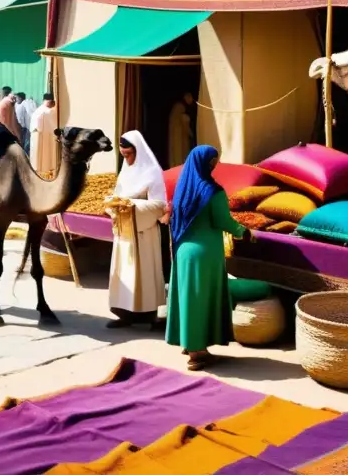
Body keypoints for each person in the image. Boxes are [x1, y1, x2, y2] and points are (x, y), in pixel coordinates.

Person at [166, 145, 249, 371]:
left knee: (188, 298)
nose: (215, 164)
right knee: (200, 301)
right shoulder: (212, 191)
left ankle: (189, 343)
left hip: (183, 252)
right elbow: (224, 221)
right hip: (205, 255)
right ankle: (197, 354)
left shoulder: (183, 189)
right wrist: (245, 232)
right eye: (214, 160)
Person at [106, 131, 168, 329]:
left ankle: (151, 316)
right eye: (123, 155)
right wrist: (113, 205)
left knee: (144, 273)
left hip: (143, 231)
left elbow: (159, 205)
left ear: (138, 151)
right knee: (124, 272)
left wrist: (130, 206)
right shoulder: (125, 172)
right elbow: (117, 196)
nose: (127, 159)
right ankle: (124, 314)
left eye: (130, 154)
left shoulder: (152, 172)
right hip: (124, 232)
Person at [29, 94, 58, 174]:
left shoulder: (40, 110)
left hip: (43, 135)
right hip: (40, 135)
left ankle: (41, 170)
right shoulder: (44, 111)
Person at [168, 92, 196, 168]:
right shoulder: (180, 107)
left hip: (178, 136)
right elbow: (184, 121)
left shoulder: (178, 107)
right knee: (180, 155)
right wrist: (191, 133)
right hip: (180, 137)